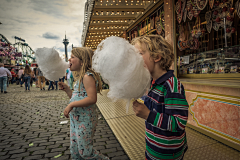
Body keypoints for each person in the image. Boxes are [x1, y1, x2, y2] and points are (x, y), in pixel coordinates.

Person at [131, 35, 189, 160]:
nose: (134, 59)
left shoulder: (171, 86)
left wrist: (147, 115)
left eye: (139, 54)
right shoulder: (152, 83)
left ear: (157, 57)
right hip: (152, 148)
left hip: (168, 154)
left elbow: (178, 123)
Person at [58, 47, 109, 160]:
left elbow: (92, 99)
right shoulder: (79, 78)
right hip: (76, 119)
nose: (69, 59)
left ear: (82, 62)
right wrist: (67, 90)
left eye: (72, 57)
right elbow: (78, 98)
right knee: (75, 151)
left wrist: (71, 105)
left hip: (85, 119)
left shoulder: (87, 77)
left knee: (85, 151)